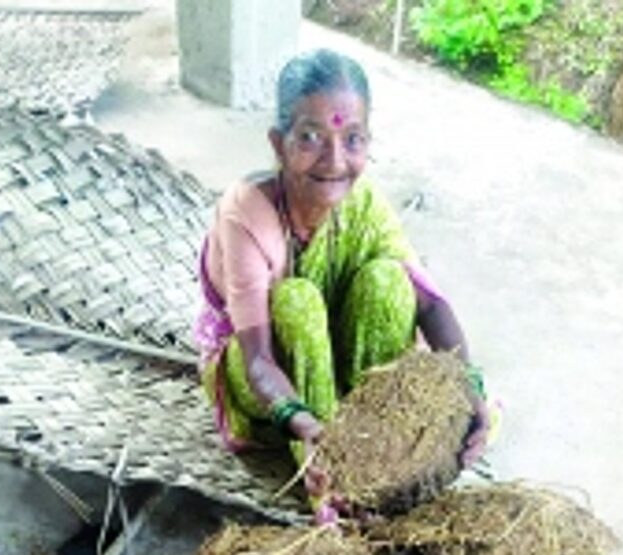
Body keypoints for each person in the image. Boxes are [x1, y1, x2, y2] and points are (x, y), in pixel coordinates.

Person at [194, 48, 494, 514]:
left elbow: (430, 304)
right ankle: (334, 473)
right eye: (311, 137)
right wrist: (303, 421)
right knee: (296, 301)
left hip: (337, 354)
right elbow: (256, 363)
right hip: (268, 378)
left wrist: (470, 384)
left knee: (388, 282)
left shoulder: (364, 203)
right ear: (279, 143)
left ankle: (376, 448)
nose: (335, 161)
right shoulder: (247, 214)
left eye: (353, 139)